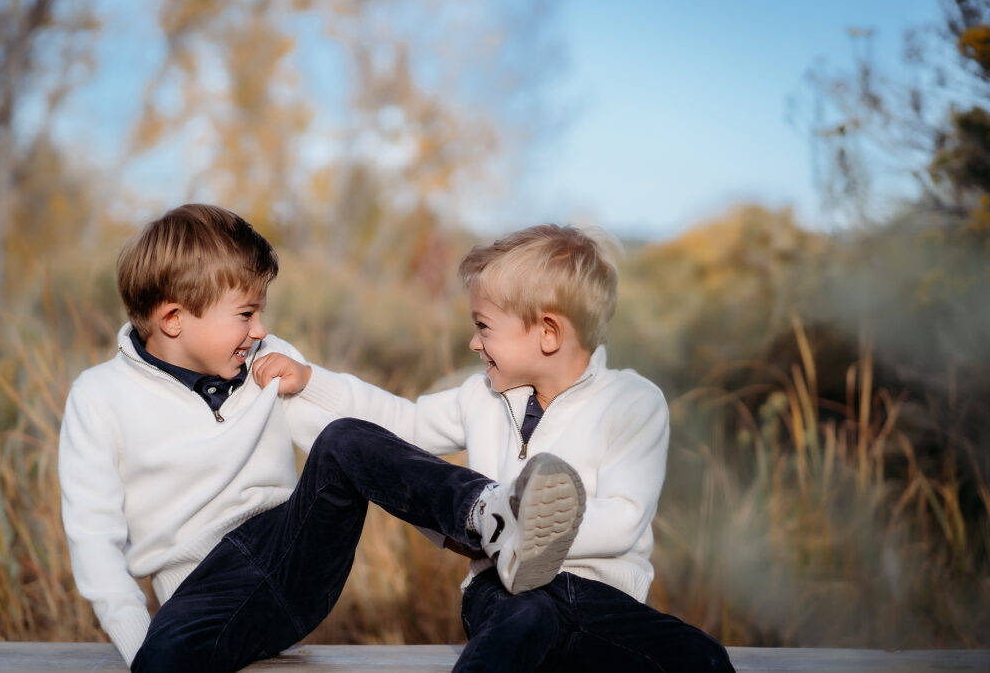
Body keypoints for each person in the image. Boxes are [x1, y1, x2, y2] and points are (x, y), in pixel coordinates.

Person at [58, 204, 586, 672]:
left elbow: (372, 452)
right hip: (204, 595)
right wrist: (139, 642)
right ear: (173, 318)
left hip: (293, 553)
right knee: (162, 663)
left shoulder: (265, 360)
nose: (260, 328)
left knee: (341, 439)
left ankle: (488, 517)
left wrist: (309, 381)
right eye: (245, 314)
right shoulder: (100, 397)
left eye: (261, 311)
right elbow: (94, 540)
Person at [253, 224, 736, 672]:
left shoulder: (633, 402)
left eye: (484, 326)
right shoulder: (479, 395)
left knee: (705, 658)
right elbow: (405, 424)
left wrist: (532, 535)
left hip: (596, 596)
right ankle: (495, 521)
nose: (473, 342)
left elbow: (626, 517)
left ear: (548, 333)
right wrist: (312, 382)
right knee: (522, 620)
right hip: (499, 590)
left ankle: (513, 533)